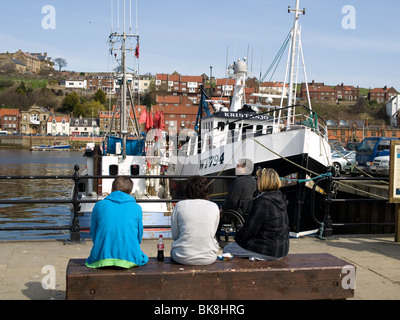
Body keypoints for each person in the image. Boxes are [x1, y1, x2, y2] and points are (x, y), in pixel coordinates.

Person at [223, 168, 289, 260]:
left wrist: (237, 238)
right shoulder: (279, 197)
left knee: (227, 249)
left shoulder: (263, 201)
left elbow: (249, 230)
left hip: (268, 250)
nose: (257, 181)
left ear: (263, 181)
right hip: (282, 249)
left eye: (258, 179)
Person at [85, 176, 148, 268]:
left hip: (102, 258)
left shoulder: (99, 205)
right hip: (129, 258)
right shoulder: (137, 208)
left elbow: (93, 233)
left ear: (111, 189)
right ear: (130, 193)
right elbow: (138, 236)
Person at [170, 175, 220, 265]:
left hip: (182, 256)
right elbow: (212, 233)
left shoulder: (179, 206)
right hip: (208, 257)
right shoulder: (214, 206)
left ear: (187, 190)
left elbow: (175, 236)